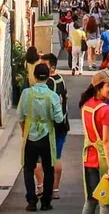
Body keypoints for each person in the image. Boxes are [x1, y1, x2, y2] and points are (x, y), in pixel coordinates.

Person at [17, 63, 64, 212]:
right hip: (47, 136)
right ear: (48, 77)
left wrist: (24, 131)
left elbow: (20, 116)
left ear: (34, 76)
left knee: (28, 169)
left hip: (30, 135)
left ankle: (31, 201)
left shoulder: (26, 94)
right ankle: (45, 202)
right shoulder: (52, 95)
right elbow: (58, 119)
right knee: (48, 169)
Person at [80, 70, 109, 214]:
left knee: (91, 200)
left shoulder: (86, 106)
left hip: (88, 158)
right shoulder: (106, 110)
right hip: (103, 160)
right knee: (106, 203)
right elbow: (106, 141)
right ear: (99, 88)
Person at [42, 54, 69, 200]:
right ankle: (56, 189)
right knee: (57, 156)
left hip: (52, 125)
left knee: (46, 158)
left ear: (52, 67)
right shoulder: (60, 79)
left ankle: (44, 188)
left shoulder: (50, 82)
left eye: (44, 64)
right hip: (63, 124)